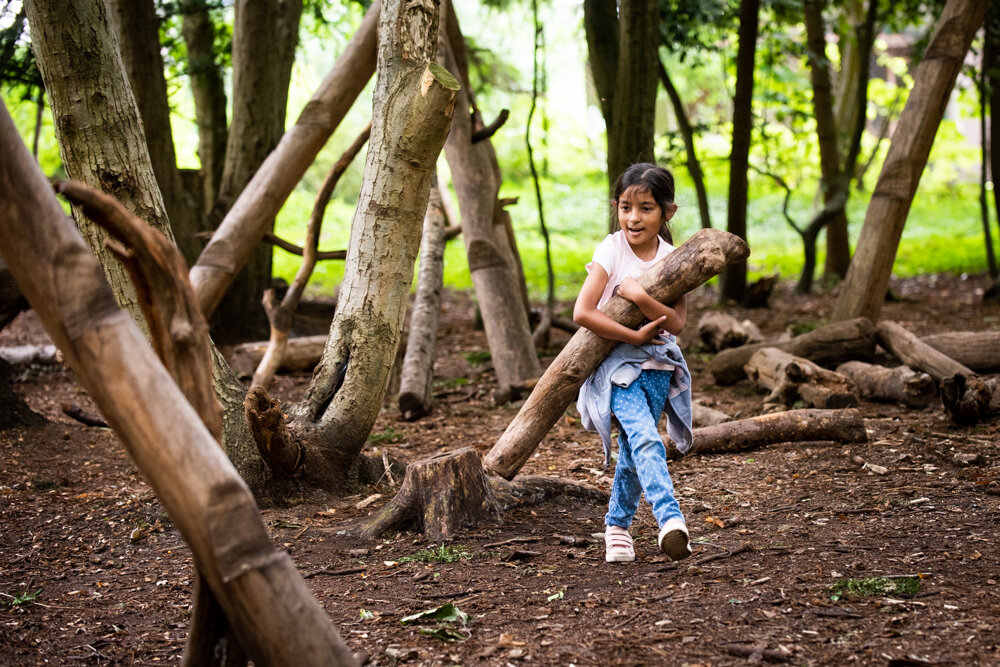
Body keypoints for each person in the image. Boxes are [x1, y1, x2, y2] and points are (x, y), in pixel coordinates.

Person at [574, 162, 694, 564]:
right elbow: (583, 311)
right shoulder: (611, 249)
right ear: (616, 207)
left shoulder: (675, 258)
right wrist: (633, 334)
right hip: (616, 367)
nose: (633, 218)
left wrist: (641, 298)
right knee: (644, 439)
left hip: (658, 367)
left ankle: (617, 527)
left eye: (645, 208)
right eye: (626, 207)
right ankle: (670, 519)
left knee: (632, 449)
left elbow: (677, 322)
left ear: (667, 212)